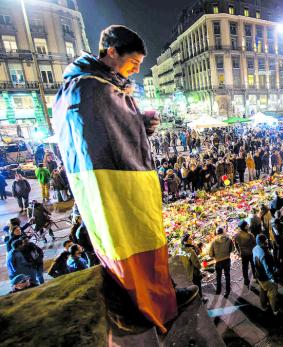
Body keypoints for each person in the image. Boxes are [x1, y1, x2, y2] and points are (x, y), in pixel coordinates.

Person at [54, 25, 198, 331]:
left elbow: (116, 129)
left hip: (119, 179)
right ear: (111, 52)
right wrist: (135, 122)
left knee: (141, 237)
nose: (136, 70)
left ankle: (159, 295)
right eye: (132, 62)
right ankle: (140, 306)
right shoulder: (88, 88)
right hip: (111, 184)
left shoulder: (103, 85)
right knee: (126, 240)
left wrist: (140, 124)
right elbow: (100, 134)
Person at [253, 234, 280, 316]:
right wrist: (272, 279)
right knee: (273, 293)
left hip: (259, 275)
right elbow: (267, 268)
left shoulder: (255, 248)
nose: (267, 241)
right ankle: (275, 310)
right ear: (262, 242)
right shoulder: (263, 254)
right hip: (266, 277)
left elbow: (254, 262)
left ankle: (263, 306)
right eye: (265, 241)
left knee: (263, 290)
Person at [209, 227, 233, 297]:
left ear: (216, 233)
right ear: (223, 232)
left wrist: (215, 256)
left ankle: (218, 290)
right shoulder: (228, 239)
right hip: (227, 260)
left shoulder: (213, 242)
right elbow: (232, 249)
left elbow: (210, 254)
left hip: (218, 261)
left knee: (218, 276)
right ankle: (227, 291)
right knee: (227, 276)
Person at [233, 220, 256, 287]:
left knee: (244, 267)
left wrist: (239, 251)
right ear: (245, 227)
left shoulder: (236, 235)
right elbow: (254, 244)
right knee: (253, 265)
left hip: (243, 253)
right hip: (251, 252)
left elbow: (236, 244)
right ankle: (255, 276)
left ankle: (246, 280)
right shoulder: (250, 235)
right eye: (247, 225)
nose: (248, 225)